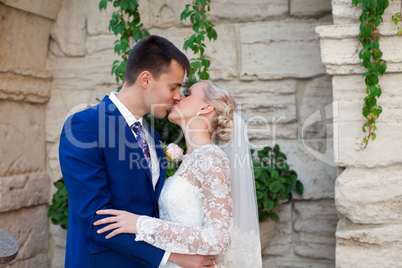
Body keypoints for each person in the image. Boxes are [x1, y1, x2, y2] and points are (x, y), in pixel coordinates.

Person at [59, 35, 216, 268]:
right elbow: (97, 220)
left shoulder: (151, 136)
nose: (177, 96)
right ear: (145, 79)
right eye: (173, 87)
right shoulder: (85, 127)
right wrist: (172, 257)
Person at [93, 80, 263, 267]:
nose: (178, 97)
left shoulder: (211, 157)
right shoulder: (191, 159)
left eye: (188, 94)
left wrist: (140, 224)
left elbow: (219, 238)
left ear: (206, 107)